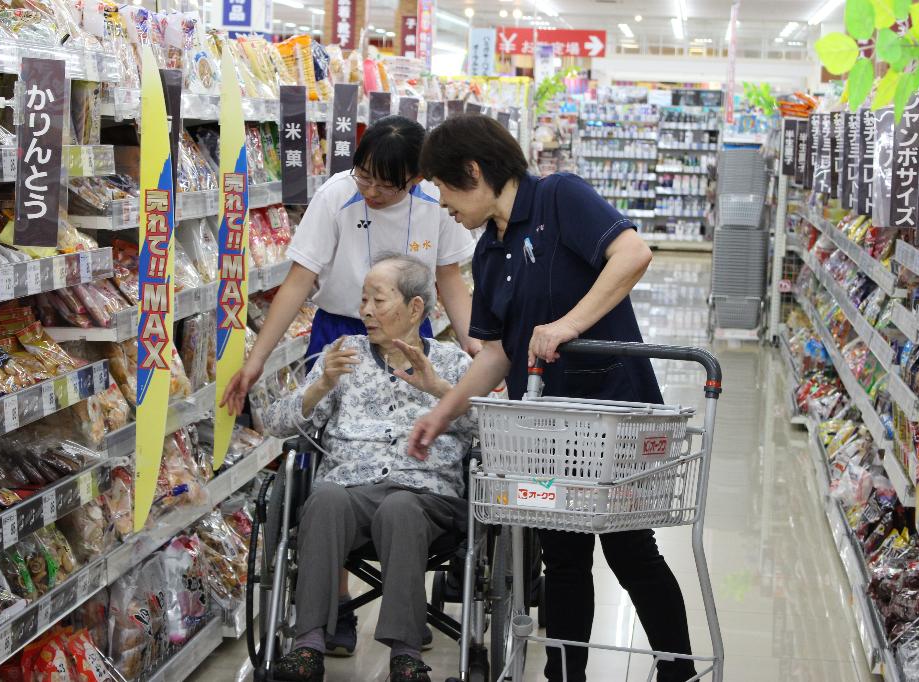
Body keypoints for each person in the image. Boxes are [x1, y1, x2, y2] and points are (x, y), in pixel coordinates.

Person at [408, 114, 698, 682]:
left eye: (443, 187)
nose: (442, 204)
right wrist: (441, 412)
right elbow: (497, 353)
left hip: (613, 410)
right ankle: (565, 675)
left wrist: (568, 324)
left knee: (630, 548)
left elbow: (632, 254)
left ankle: (676, 668)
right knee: (561, 558)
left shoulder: (559, 196)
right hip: (544, 426)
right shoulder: (488, 252)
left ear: (474, 171)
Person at [221, 115, 477, 654]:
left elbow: (450, 276)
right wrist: (256, 360)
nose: (374, 191)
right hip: (341, 327)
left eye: (389, 183)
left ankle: (409, 612)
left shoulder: (435, 201)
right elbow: (299, 280)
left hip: (412, 327)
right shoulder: (337, 194)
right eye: (366, 177)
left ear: (414, 178)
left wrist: (478, 354)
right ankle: (331, 610)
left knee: (418, 451)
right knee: (329, 461)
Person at [264, 255, 475, 682]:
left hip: (426, 496)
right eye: (363, 300)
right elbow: (276, 424)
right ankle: (307, 646)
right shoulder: (342, 356)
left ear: (415, 308)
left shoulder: (454, 364)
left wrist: (440, 390)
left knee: (401, 509)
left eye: (378, 300)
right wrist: (321, 384)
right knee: (323, 499)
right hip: (350, 489)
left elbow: (493, 436)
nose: (365, 311)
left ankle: (406, 654)